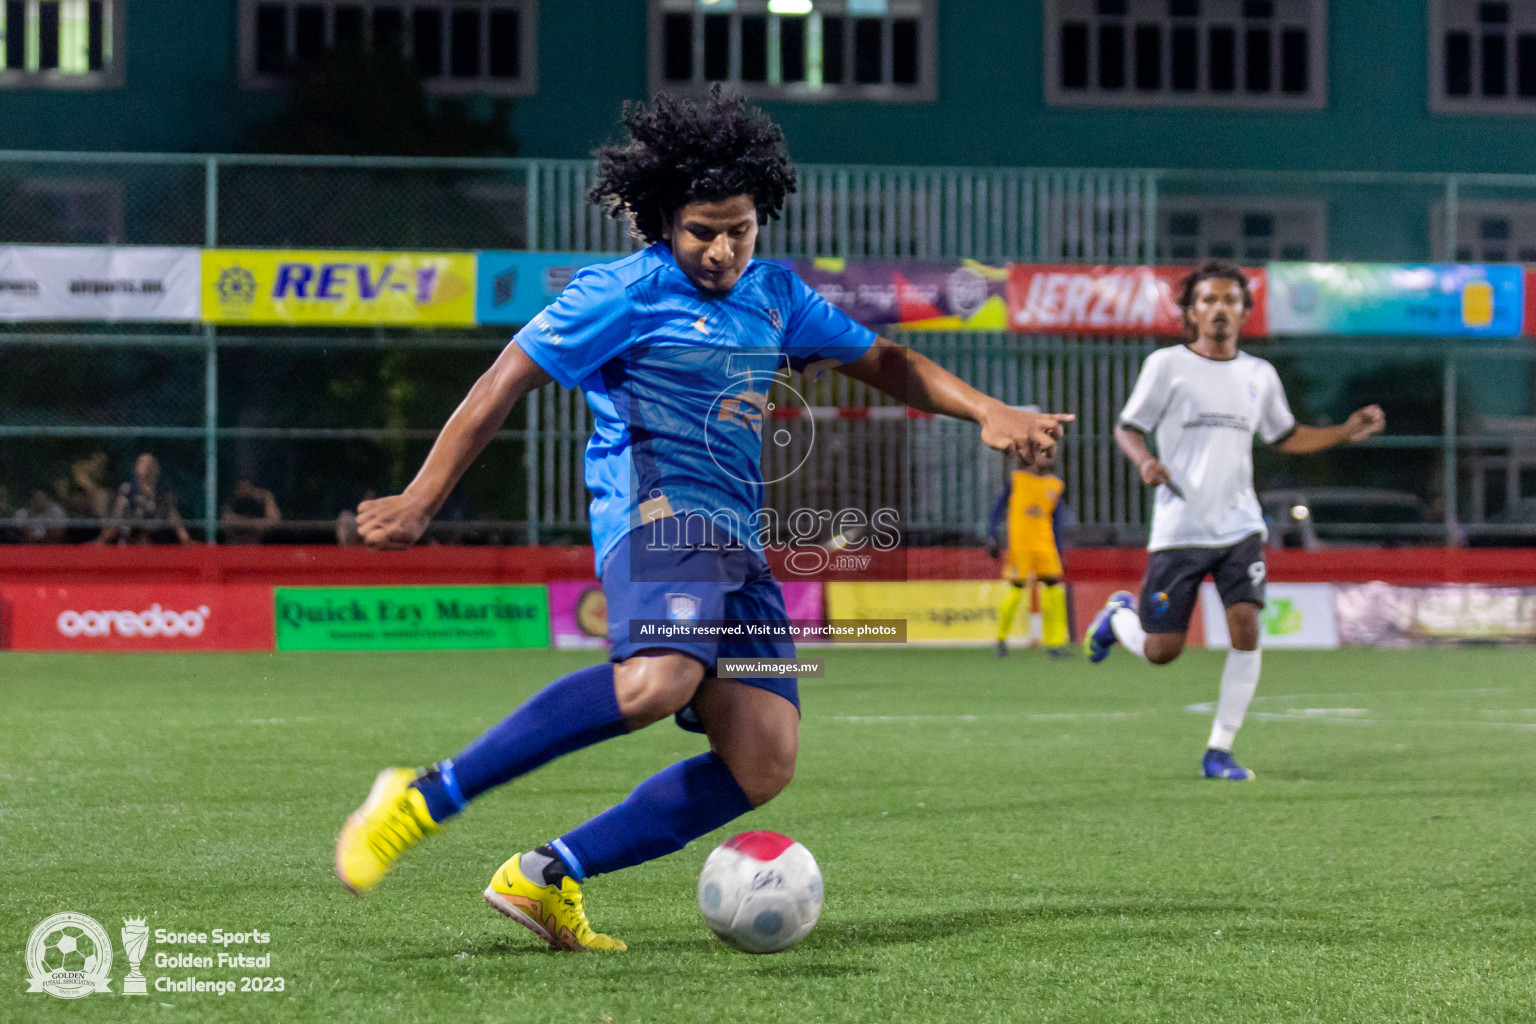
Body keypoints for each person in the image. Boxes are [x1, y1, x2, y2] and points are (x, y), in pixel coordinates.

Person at [333, 88, 1073, 951]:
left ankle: (546, 875)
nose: (722, 249)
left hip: (738, 547)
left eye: (740, 228)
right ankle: (423, 797)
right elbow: (502, 382)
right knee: (658, 681)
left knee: (762, 761)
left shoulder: (775, 295)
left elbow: (886, 360)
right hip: (658, 520)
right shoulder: (619, 294)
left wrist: (986, 410)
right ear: (661, 223)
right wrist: (424, 497)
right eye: (702, 231)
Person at [1083, 261, 1385, 781]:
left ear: (1245, 312)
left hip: (1239, 527)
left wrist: (1344, 432)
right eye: (1208, 300)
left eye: (1230, 301)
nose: (1220, 309)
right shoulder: (1166, 366)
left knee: (1245, 626)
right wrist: (1144, 462)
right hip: (1179, 528)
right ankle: (1117, 619)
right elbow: (1127, 428)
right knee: (1162, 652)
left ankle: (1219, 751)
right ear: (1191, 311)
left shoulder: (1258, 376)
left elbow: (1286, 436)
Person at [988, 447, 1073, 657]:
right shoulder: (1016, 480)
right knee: (1016, 590)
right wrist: (992, 532)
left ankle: (1055, 643)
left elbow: (1057, 521)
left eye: (1051, 454)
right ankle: (1001, 639)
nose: (1048, 457)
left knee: (1054, 591)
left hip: (1045, 545)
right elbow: (998, 508)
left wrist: (1059, 549)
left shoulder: (1055, 485)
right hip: (1021, 545)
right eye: (1043, 453)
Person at [98, 453, 191, 545]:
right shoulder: (127, 491)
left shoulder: (163, 494)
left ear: (156, 468)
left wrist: (185, 539)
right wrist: (101, 542)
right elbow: (116, 521)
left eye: (150, 463)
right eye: (142, 462)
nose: (146, 466)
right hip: (131, 543)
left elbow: (174, 519)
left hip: (157, 543)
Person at [56, 452, 110, 543]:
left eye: (81, 498)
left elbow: (102, 533)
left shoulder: (93, 515)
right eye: (75, 498)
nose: (78, 501)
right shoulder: (69, 516)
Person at [220, 478, 282, 544]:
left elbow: (273, 522)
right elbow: (226, 518)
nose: (243, 489)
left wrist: (248, 523)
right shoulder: (232, 500)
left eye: (246, 485)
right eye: (239, 487)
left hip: (257, 543)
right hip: (235, 544)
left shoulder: (263, 498)